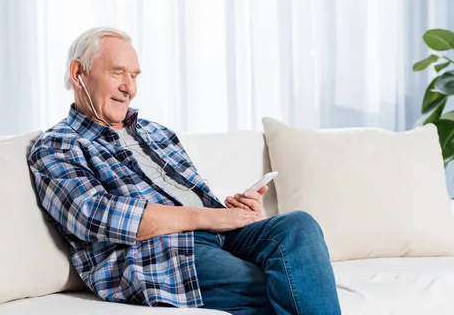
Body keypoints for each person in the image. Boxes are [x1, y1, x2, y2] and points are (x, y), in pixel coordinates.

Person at [28, 27, 342, 315]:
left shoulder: (157, 133)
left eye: (135, 76)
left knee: (298, 226)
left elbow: (197, 199)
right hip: (163, 254)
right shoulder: (59, 146)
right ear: (78, 72)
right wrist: (208, 217)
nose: (129, 88)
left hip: (216, 234)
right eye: (117, 73)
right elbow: (93, 215)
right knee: (294, 284)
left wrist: (232, 213)